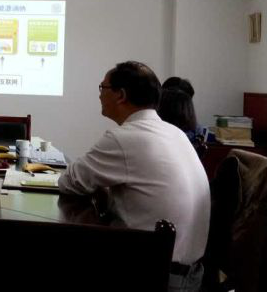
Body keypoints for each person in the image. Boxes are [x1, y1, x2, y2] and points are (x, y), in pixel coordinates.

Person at [58, 61, 210, 292]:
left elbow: (70, 182)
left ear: (121, 95)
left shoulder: (124, 138)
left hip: (152, 274)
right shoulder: (175, 133)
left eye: (102, 88)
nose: (99, 95)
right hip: (191, 275)